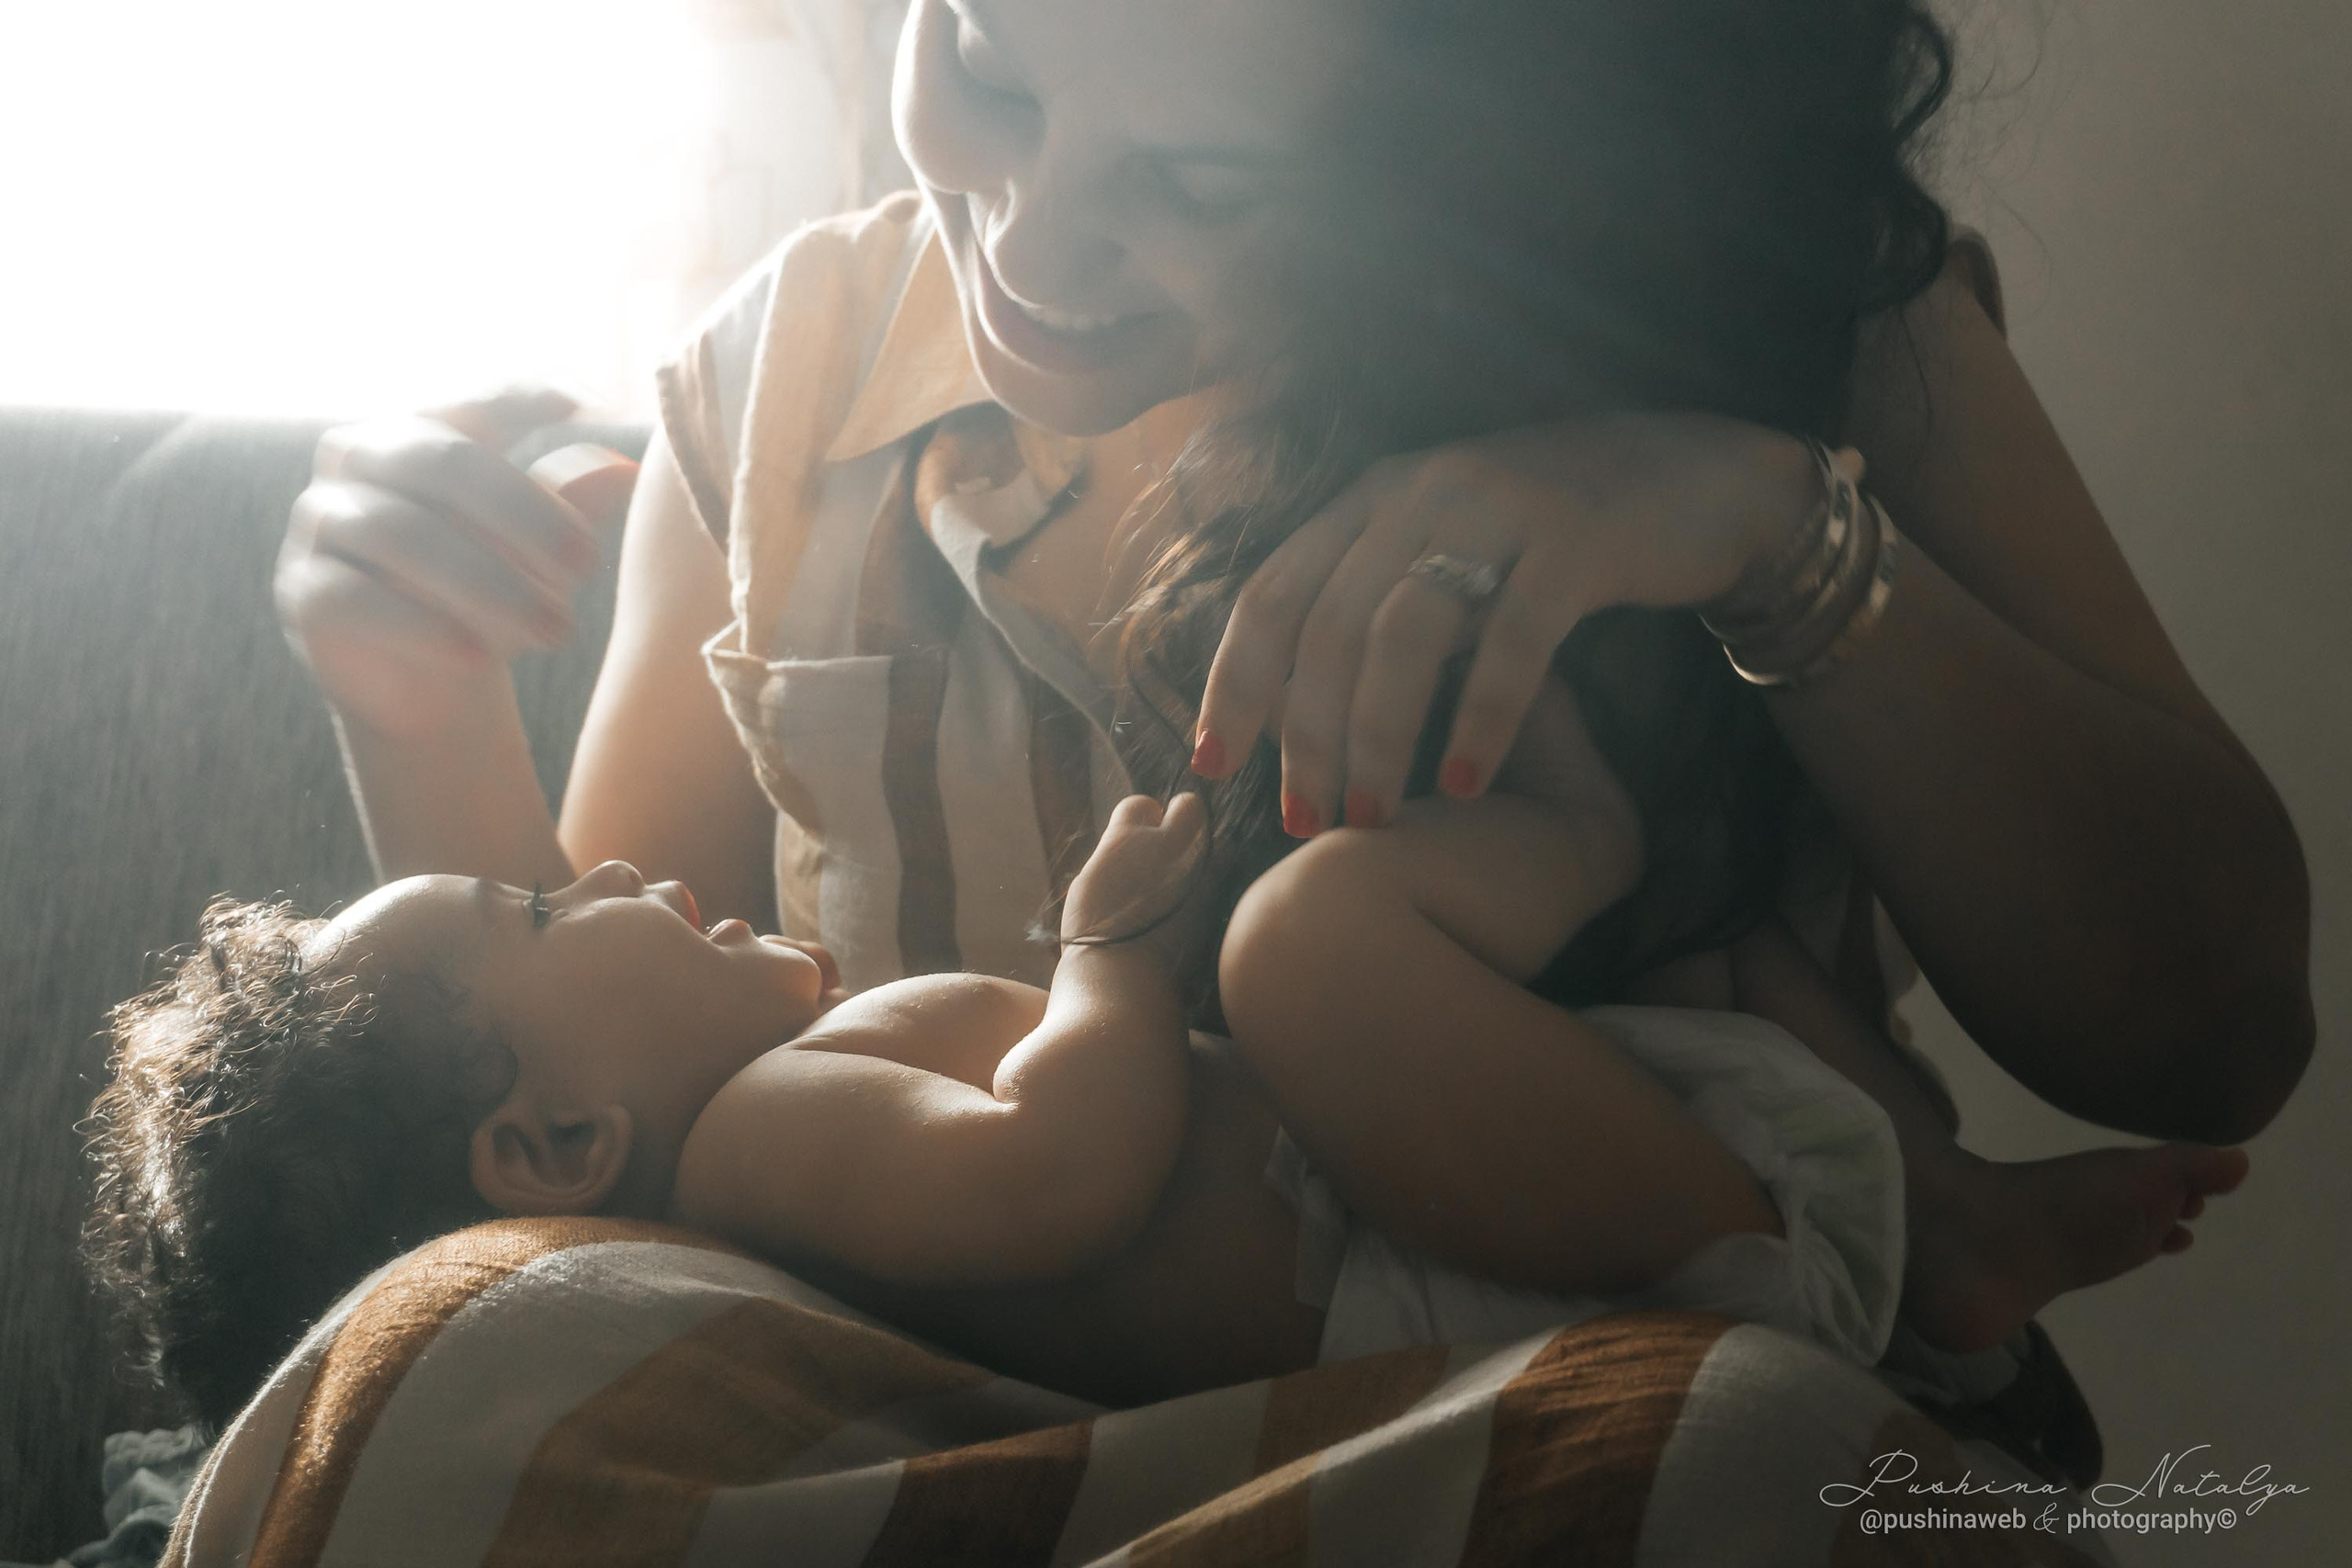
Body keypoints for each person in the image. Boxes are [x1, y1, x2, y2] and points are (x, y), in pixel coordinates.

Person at [267, 0, 2307, 1435]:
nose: (1034, 244)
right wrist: (416, 712)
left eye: (1203, 177)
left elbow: (2208, 1029)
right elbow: (602, 1178)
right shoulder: (782, 386)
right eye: (983, 58)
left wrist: (1759, 524)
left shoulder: (1783, 314)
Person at [83, 724, 2245, 1426]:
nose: (621, 862)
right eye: (552, 917)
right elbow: (1055, 1177)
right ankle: (1595, 805)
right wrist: (1109, 953)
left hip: (1484, 1185)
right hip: (1430, 1269)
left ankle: (1941, 1230)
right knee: (1306, 940)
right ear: (554, 1141)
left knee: (1734, 965)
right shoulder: (758, 1145)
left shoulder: (789, 1115)